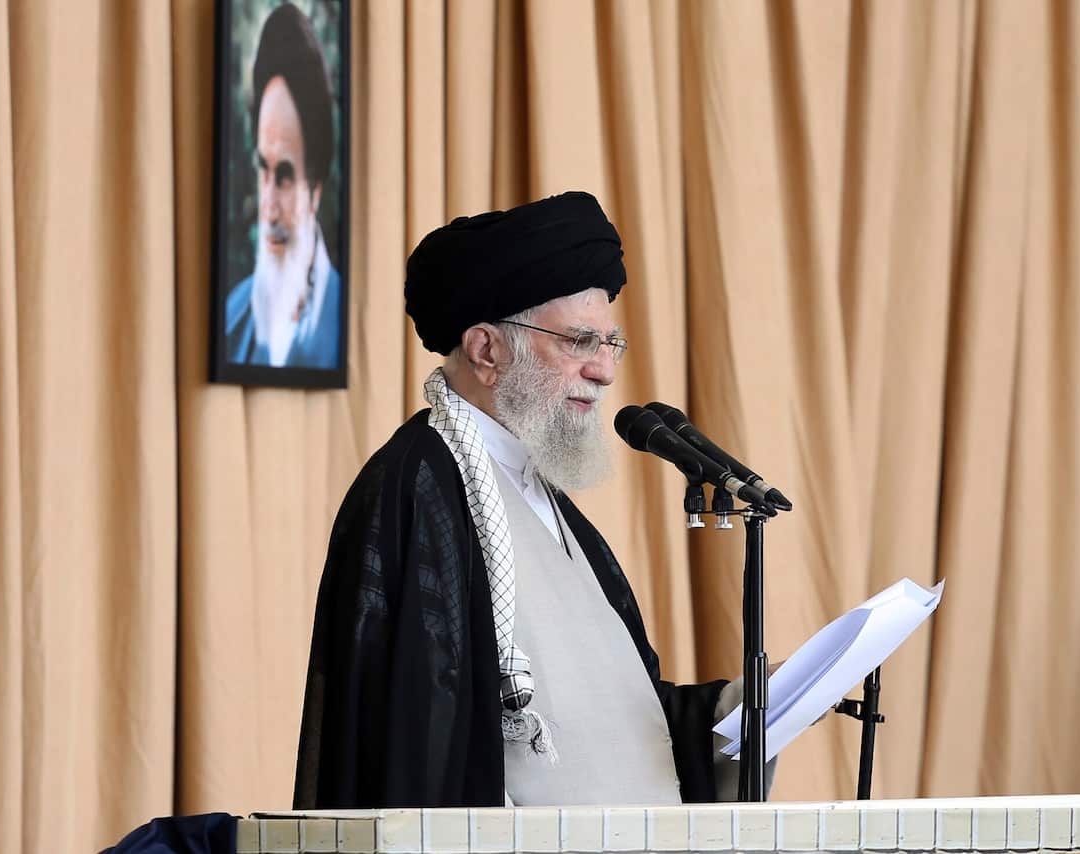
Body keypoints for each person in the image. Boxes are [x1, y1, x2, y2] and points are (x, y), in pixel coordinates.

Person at [293, 191, 757, 809]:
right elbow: (414, 742)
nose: (604, 371)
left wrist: (739, 712)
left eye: (609, 344)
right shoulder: (419, 486)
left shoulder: (546, 496)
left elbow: (611, 725)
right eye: (579, 342)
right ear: (487, 350)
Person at [226, 3, 341, 369]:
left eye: (286, 177)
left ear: (316, 187)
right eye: (264, 170)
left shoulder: (342, 316)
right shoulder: (232, 317)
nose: (269, 205)